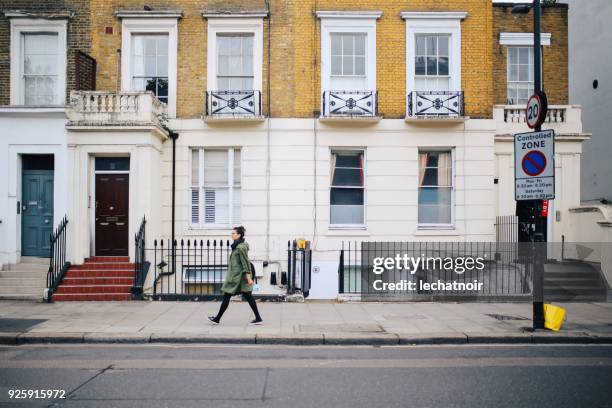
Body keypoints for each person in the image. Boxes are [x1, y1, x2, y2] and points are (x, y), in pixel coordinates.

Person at [208, 226, 263, 325]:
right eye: (232, 233)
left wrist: (249, 278)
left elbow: (245, 263)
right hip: (237, 277)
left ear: (239, 235)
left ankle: (217, 319)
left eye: (233, 233)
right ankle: (258, 318)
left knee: (228, 296)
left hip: (239, 277)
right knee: (246, 297)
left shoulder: (240, 247)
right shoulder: (236, 246)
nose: (231, 235)